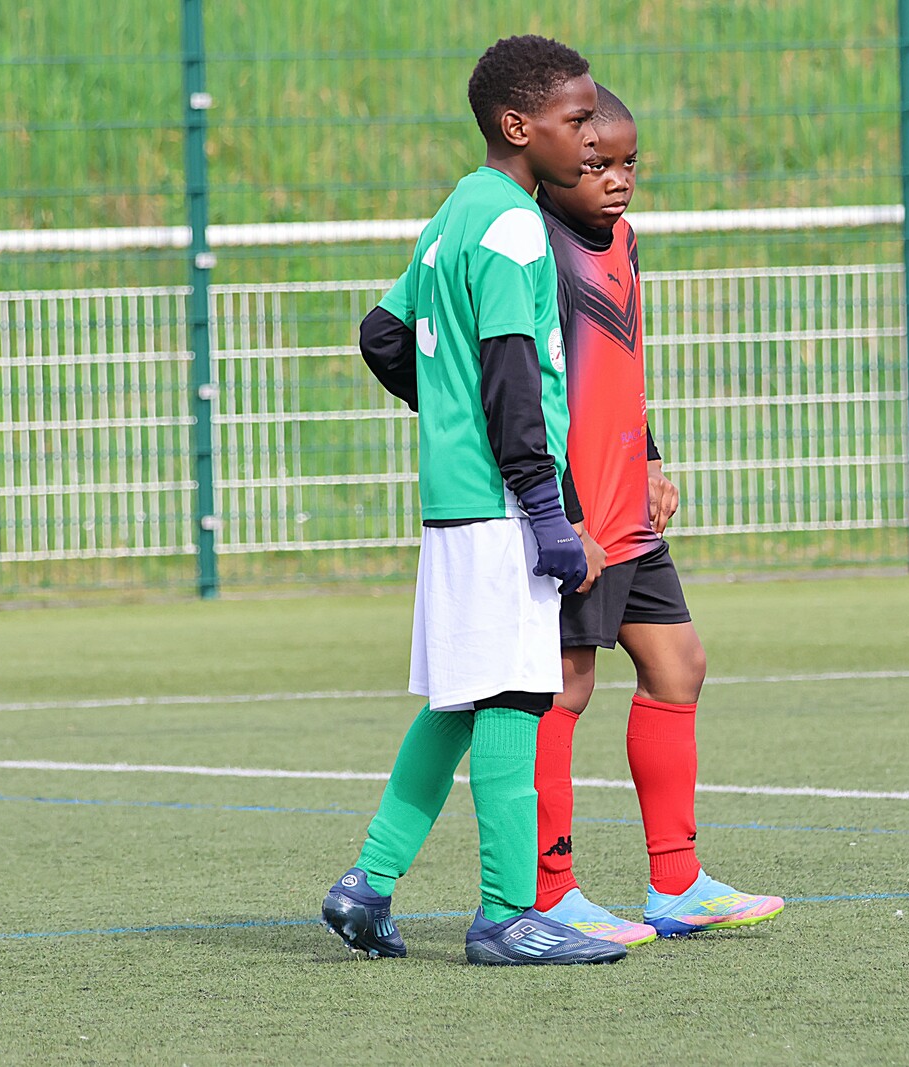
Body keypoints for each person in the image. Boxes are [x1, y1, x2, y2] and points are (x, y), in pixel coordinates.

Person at [321, 35, 624, 966]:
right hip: (502, 503)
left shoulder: (459, 208)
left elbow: (381, 333)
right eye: (577, 120)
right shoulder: (516, 226)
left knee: (461, 699)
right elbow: (511, 369)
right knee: (518, 697)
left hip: (460, 497)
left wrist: (447, 413)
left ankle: (367, 884)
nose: (591, 137)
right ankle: (504, 914)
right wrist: (545, 507)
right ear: (518, 125)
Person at [531, 86, 786, 943]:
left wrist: (648, 456)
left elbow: (618, 362)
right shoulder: (537, 249)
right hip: (578, 516)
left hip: (629, 506)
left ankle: (677, 883)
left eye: (627, 163)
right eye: (595, 164)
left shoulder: (626, 240)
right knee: (564, 689)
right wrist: (563, 512)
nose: (615, 179)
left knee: (680, 665)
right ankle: (550, 892)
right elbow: (535, 390)